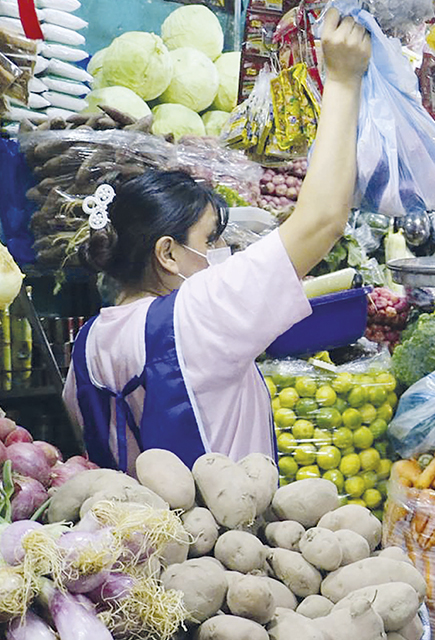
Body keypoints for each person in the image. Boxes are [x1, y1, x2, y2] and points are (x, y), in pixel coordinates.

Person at [62, 13, 372, 472]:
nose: (223, 252)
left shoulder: (87, 346)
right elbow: (323, 218)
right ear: (167, 253)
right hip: (224, 540)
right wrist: (344, 80)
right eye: (211, 239)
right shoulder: (199, 315)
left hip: (138, 536)